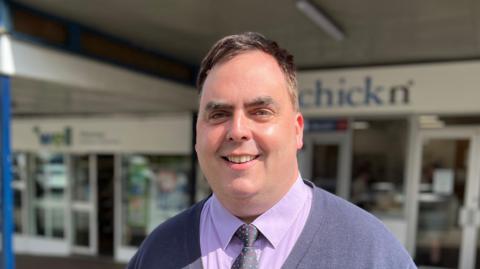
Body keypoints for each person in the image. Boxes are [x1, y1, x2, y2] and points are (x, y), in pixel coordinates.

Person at [127, 32, 417, 269]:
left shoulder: (372, 252)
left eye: (261, 111)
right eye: (218, 114)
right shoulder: (156, 252)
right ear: (197, 133)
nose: (237, 130)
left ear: (297, 130)